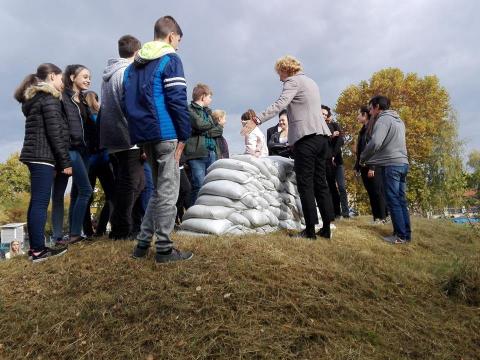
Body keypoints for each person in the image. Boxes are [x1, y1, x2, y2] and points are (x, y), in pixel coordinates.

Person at [241, 55, 334, 239]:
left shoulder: (292, 81)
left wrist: (257, 119)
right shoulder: (311, 82)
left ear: (286, 69)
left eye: (280, 73)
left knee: (305, 184)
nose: (279, 78)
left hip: (305, 138)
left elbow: (280, 104)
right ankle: (326, 228)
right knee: (321, 184)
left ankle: (309, 231)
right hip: (322, 138)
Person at [124, 15, 192, 263]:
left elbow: (126, 102)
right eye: (179, 40)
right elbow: (176, 98)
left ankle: (142, 245)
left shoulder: (134, 65)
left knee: (157, 191)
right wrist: (184, 134)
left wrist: (138, 133)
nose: (178, 46)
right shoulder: (170, 59)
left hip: (144, 134)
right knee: (168, 193)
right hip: (166, 132)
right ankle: (164, 248)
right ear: (172, 36)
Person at [14, 63, 70, 262]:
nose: (62, 83)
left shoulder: (35, 98)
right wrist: (65, 162)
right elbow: (55, 133)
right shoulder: (48, 99)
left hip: (35, 155)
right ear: (52, 76)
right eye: (61, 78)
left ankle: (36, 248)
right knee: (39, 202)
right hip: (42, 156)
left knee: (36, 202)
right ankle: (38, 250)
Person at [99, 35, 146, 240]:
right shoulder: (127, 72)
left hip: (113, 135)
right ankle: (120, 229)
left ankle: (127, 223)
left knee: (137, 182)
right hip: (128, 135)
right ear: (137, 52)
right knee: (130, 184)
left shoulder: (109, 74)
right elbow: (132, 106)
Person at [52, 65, 95, 245]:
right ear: (72, 77)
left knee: (78, 192)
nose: (88, 80)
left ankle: (71, 233)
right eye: (84, 76)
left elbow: (88, 128)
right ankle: (68, 235)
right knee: (83, 190)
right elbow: (58, 127)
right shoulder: (63, 98)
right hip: (69, 149)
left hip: (84, 151)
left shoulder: (83, 100)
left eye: (89, 77)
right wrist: (60, 155)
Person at [360, 95, 411, 244]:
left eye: (370, 108)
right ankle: (406, 235)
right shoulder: (398, 120)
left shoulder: (383, 119)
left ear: (377, 107)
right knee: (401, 200)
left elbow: (376, 142)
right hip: (403, 163)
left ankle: (400, 236)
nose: (370, 111)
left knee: (393, 200)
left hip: (392, 165)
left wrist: (363, 156)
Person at [184, 83, 223, 206]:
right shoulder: (189, 109)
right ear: (203, 96)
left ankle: (206, 216)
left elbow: (219, 129)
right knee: (199, 185)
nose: (211, 100)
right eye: (209, 97)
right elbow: (199, 124)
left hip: (211, 152)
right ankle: (192, 215)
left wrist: (202, 130)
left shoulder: (208, 112)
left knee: (211, 186)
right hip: (196, 154)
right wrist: (207, 127)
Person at [82, 91, 116, 237]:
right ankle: (102, 228)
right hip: (103, 158)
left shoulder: (82, 117)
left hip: (88, 160)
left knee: (86, 197)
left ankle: (88, 231)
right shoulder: (103, 116)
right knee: (111, 195)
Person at [354, 106, 388, 224]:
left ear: (364, 115)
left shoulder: (372, 128)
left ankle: (383, 217)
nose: (357, 117)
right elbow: (360, 150)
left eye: (359, 114)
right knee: (371, 192)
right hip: (363, 166)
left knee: (378, 192)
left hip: (373, 166)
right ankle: (376, 218)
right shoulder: (362, 130)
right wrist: (357, 167)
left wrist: (372, 167)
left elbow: (376, 148)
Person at [322, 105, 349, 219]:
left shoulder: (334, 125)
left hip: (337, 161)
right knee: (330, 187)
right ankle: (335, 213)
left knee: (341, 187)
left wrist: (333, 155)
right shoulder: (317, 127)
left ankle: (346, 213)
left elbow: (340, 140)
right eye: (321, 114)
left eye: (325, 114)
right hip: (325, 162)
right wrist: (331, 137)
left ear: (328, 116)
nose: (323, 116)